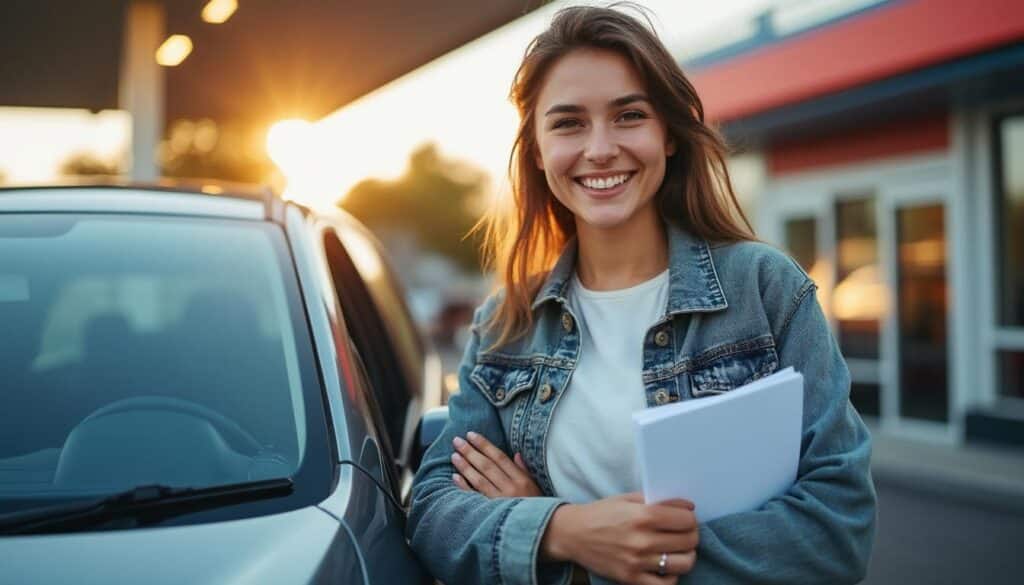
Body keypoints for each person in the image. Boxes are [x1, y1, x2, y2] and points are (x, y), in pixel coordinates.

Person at [407, 5, 877, 585]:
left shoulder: (767, 290)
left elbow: (837, 530)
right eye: (568, 123)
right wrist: (564, 530)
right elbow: (431, 513)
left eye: (628, 115)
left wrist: (585, 556)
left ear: (669, 136)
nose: (600, 148)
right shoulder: (507, 323)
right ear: (536, 149)